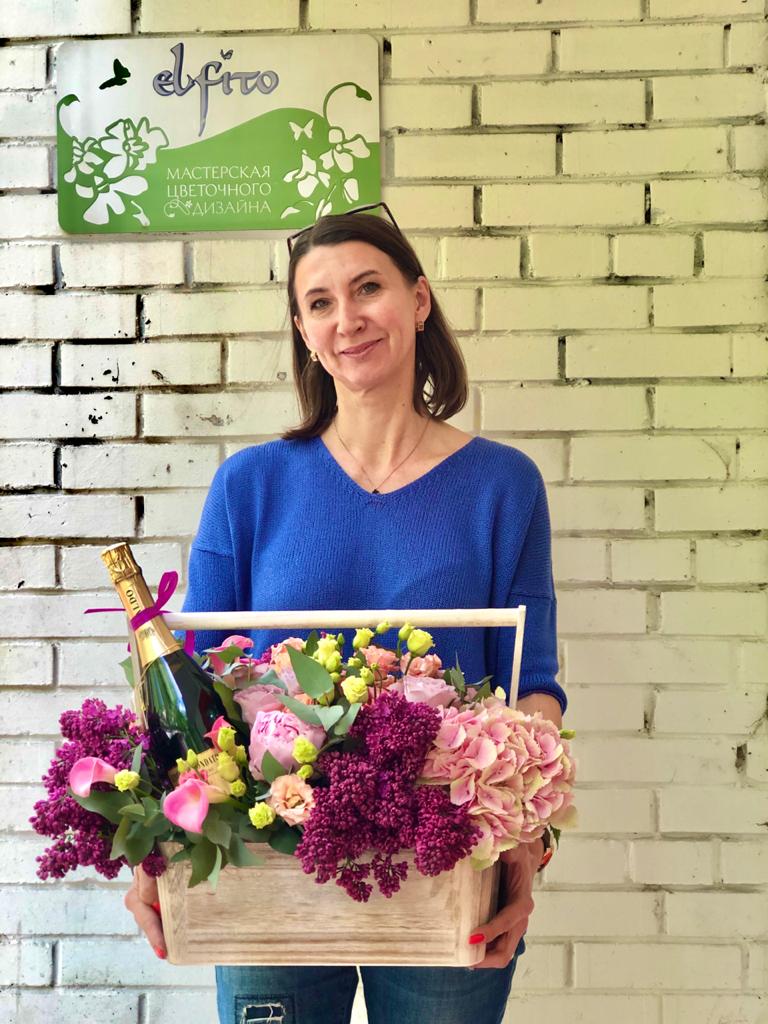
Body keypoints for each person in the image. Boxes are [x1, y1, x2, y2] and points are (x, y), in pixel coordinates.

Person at [123, 203, 568, 1024]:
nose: (347, 319)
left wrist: (526, 842)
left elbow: (531, 682)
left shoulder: (503, 485)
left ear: (419, 300)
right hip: (266, 864)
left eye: (368, 288)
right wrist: (156, 843)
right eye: (320, 302)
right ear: (303, 330)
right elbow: (192, 689)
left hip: (445, 862)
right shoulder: (250, 485)